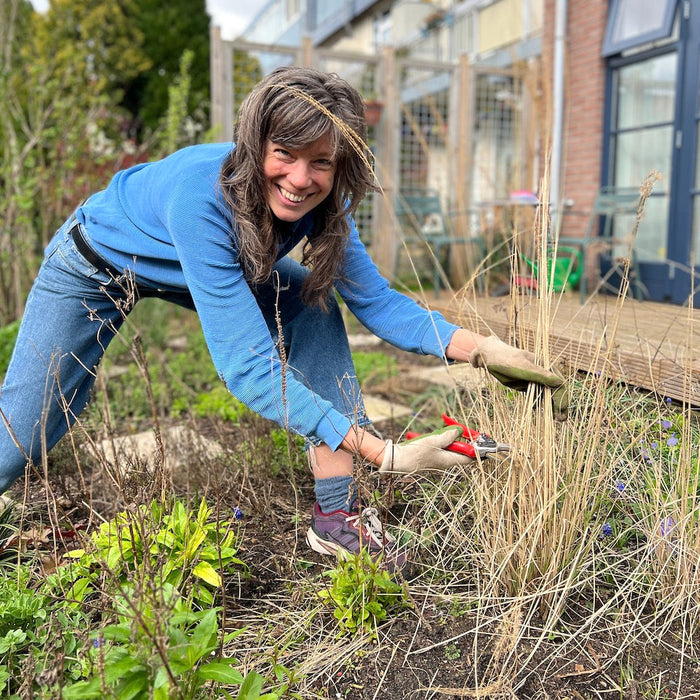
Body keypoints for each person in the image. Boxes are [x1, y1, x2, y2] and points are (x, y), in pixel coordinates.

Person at [0, 67, 565, 568]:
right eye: (286, 155)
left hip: (203, 259)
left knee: (313, 298)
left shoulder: (327, 201)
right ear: (255, 145)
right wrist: (381, 452)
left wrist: (482, 349)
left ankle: (335, 519)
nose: (301, 178)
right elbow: (247, 367)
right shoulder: (203, 198)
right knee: (29, 428)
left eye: (321, 162)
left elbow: (377, 302)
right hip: (94, 261)